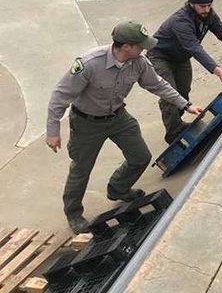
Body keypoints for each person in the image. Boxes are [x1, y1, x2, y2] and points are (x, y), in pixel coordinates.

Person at [46, 21, 204, 234]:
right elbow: (60, 96)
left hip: (118, 117)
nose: (145, 48)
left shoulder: (138, 61)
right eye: (141, 45)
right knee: (81, 169)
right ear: (127, 46)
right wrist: (53, 131)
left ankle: (118, 189)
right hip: (87, 123)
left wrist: (185, 104)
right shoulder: (90, 63)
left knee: (140, 157)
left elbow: (157, 84)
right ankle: (73, 213)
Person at [147, 0, 222, 143]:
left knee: (183, 90)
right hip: (160, 57)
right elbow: (195, 48)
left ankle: (176, 120)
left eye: (209, 5)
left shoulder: (209, 15)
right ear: (191, 4)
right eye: (202, 6)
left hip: (180, 57)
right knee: (170, 93)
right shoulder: (181, 20)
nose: (206, 9)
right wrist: (218, 71)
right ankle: (173, 132)